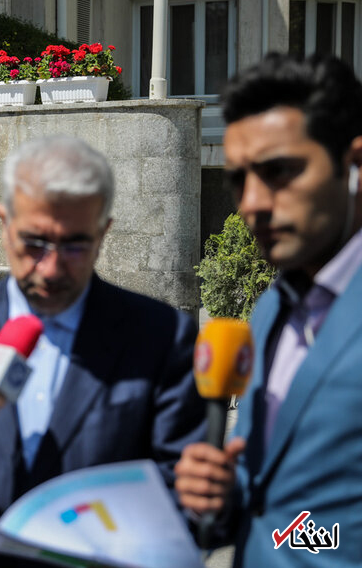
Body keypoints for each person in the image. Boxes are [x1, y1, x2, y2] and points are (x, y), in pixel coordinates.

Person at [0, 136, 205, 567]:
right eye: (34, 243)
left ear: (103, 231)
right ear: (4, 223)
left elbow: (186, 498)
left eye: (75, 244)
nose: (51, 269)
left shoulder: (162, 336)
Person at [174, 53, 362, 566]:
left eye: (278, 172)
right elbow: (278, 499)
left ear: (354, 166)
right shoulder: (273, 305)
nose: (252, 203)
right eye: (239, 179)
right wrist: (223, 495)